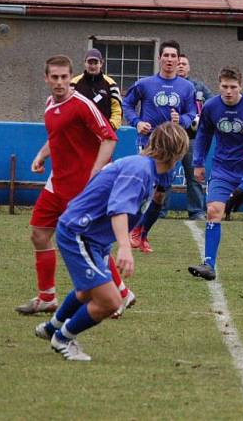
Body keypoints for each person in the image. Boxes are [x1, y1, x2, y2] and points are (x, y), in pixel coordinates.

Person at [35, 122, 189, 361]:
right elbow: (118, 209)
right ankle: (63, 338)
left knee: (87, 291)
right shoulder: (140, 170)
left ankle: (52, 327)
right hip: (80, 233)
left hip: (91, 237)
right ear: (177, 153)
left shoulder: (146, 169)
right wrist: (125, 248)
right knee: (110, 302)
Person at [16, 55, 133, 317]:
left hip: (81, 187)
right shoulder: (49, 104)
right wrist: (41, 155)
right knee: (38, 233)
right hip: (56, 183)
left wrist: (94, 172)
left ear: (71, 78)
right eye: (54, 77)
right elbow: (57, 136)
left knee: (90, 242)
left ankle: (121, 294)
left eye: (64, 77)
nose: (59, 82)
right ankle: (47, 297)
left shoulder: (82, 105)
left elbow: (109, 138)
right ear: (46, 78)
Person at [187, 66, 243, 281]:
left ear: (241, 86)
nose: (229, 91)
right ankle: (209, 265)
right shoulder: (212, 107)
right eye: (224, 86)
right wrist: (198, 162)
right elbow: (203, 134)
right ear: (219, 85)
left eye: (233, 87)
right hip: (222, 169)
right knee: (214, 211)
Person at [122, 40, 196, 253]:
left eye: (174, 56)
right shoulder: (144, 84)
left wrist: (180, 120)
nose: (170, 60)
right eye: (167, 56)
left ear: (178, 59)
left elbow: (192, 113)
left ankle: (142, 234)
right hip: (148, 145)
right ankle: (127, 231)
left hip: (171, 148)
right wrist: (137, 122)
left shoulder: (187, 87)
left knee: (160, 195)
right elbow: (127, 104)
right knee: (142, 188)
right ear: (160, 59)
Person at [165, 53, 212, 220]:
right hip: (171, 139)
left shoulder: (199, 88)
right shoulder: (166, 86)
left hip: (193, 139)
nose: (181, 66)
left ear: (189, 67)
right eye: (179, 63)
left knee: (193, 176)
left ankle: (197, 211)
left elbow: (212, 104)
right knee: (165, 175)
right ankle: (161, 210)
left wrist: (201, 117)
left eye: (184, 64)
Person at [70, 48, 122, 130]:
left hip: (104, 133)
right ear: (85, 63)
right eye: (90, 63)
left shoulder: (111, 84)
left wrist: (111, 126)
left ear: (101, 63)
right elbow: (67, 107)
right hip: (79, 132)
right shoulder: (74, 83)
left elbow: (117, 109)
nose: (93, 66)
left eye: (96, 63)